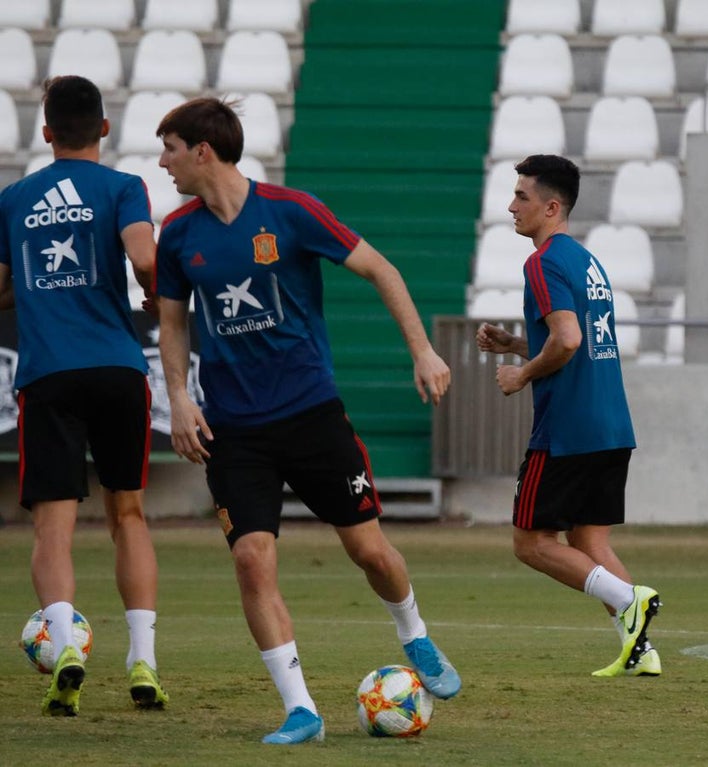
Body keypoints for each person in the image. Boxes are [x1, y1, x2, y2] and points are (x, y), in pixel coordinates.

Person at [152, 97, 461, 745]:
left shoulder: (292, 212)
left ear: (202, 151)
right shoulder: (178, 234)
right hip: (234, 431)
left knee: (369, 550)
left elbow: (382, 269)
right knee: (251, 561)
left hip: (312, 415)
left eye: (171, 149)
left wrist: (423, 349)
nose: (164, 163)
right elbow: (173, 322)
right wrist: (178, 395)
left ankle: (415, 635)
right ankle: (302, 709)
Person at [0, 75, 168, 716]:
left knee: (53, 528)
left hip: (48, 372)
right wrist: (153, 290)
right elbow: (143, 256)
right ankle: (143, 659)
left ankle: (66, 645)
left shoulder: (14, 199)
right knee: (128, 515)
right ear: (103, 127)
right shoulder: (124, 188)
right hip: (117, 367)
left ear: (45, 133)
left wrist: (42, 288)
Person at [475, 154, 661, 678]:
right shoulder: (584, 260)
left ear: (552, 207)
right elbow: (573, 337)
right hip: (610, 423)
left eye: (522, 197)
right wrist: (517, 344)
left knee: (531, 544)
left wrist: (522, 374)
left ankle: (630, 600)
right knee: (590, 542)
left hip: (567, 430)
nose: (511, 206)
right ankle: (641, 651)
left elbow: (569, 339)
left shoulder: (542, 262)